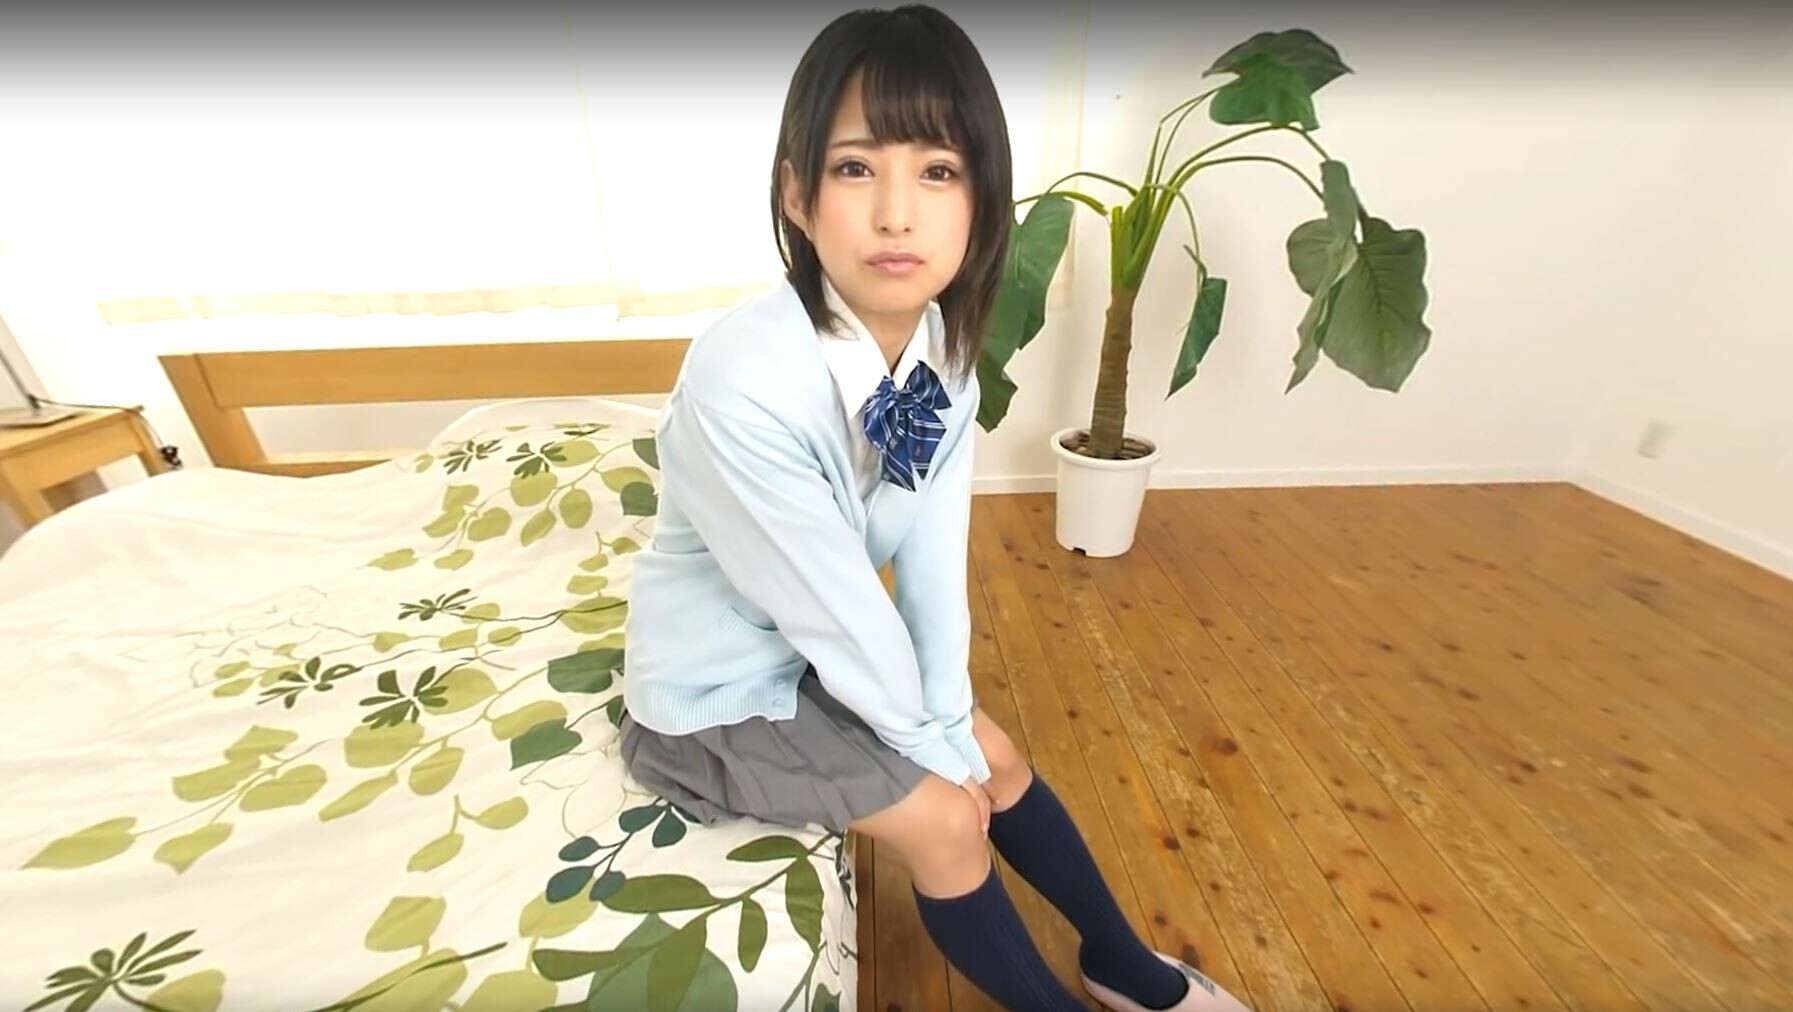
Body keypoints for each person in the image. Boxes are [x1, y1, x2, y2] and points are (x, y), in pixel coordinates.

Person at [618, 7, 1248, 1011]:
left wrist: (951, 723)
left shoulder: (946, 364)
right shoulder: (744, 378)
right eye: (855, 168)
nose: (896, 214)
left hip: (810, 660)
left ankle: (1119, 963)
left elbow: (929, 575)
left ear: (981, 200)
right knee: (949, 817)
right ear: (796, 193)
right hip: (715, 697)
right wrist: (932, 752)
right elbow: (836, 610)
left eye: (938, 171)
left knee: (994, 756)